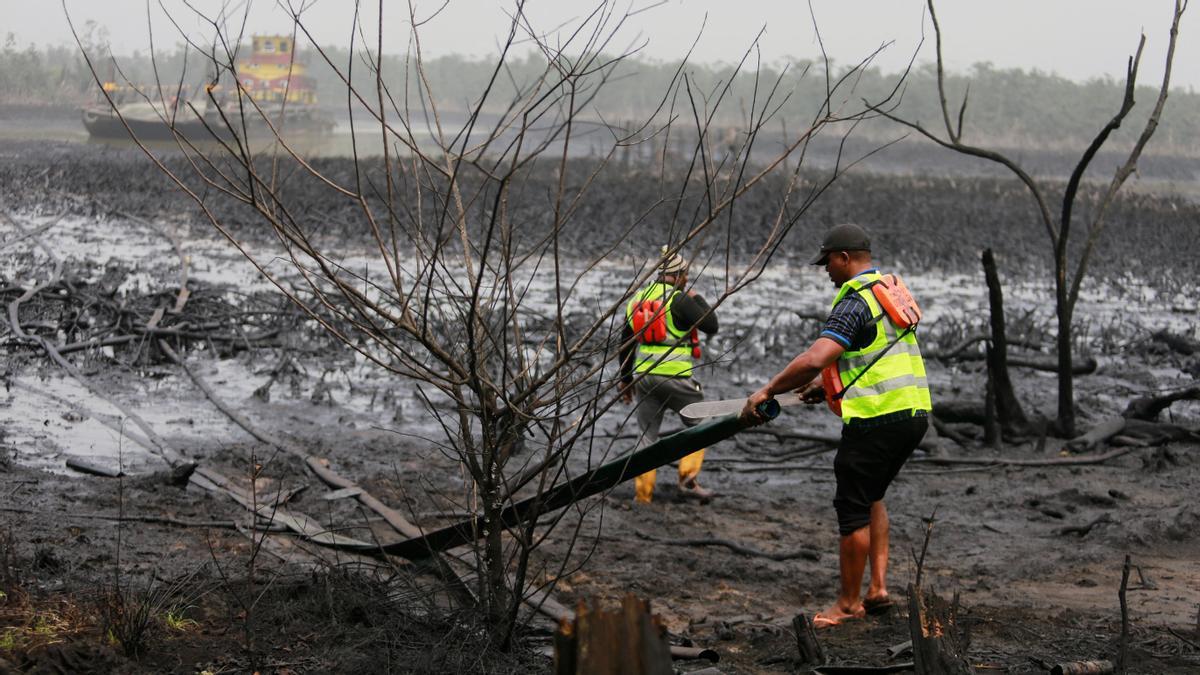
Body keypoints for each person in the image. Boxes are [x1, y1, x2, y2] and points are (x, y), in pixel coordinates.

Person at [741, 223, 931, 628]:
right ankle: (877, 589)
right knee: (871, 495)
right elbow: (872, 356)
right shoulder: (889, 289)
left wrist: (768, 390)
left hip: (877, 420)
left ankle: (847, 605)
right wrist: (823, 387)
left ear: (844, 258)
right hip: (913, 414)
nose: (825, 270)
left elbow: (816, 356)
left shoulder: (854, 301)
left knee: (851, 506)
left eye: (827, 261)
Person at [620, 247, 719, 503]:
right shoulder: (679, 299)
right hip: (676, 378)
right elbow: (711, 325)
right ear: (677, 275)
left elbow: (626, 343)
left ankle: (643, 496)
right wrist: (696, 297)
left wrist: (625, 380)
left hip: (644, 377)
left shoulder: (637, 299)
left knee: (646, 435)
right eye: (685, 275)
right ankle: (688, 481)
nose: (687, 279)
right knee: (703, 425)